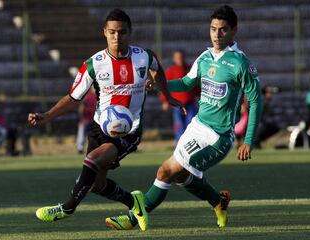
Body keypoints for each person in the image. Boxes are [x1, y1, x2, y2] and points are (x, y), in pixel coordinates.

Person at [106, 5, 263, 230]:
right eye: (213, 29)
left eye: (223, 30)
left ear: (234, 31)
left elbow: (256, 101)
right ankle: (218, 202)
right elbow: (187, 83)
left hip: (219, 136)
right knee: (174, 174)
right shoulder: (205, 57)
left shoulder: (241, 64)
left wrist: (248, 140)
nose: (217, 35)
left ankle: (133, 218)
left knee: (170, 171)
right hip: (197, 126)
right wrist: (160, 86)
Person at [28, 9, 184, 231]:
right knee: (95, 185)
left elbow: (158, 71)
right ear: (105, 33)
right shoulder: (94, 63)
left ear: (130, 32)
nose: (117, 37)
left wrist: (167, 95)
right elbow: (73, 98)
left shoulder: (144, 56)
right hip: (99, 127)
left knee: (92, 160)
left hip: (129, 131)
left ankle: (68, 207)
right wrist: (47, 115)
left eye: (122, 32)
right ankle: (134, 202)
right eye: (112, 32)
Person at [160, 50, 199, 142]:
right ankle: (179, 143)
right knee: (179, 125)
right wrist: (164, 101)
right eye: (177, 58)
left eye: (181, 57)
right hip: (177, 104)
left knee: (191, 124)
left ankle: (191, 142)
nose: (179, 60)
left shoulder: (190, 69)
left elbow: (196, 84)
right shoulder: (170, 71)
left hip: (190, 103)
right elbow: (164, 87)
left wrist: (199, 95)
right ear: (174, 59)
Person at [76, 87, 96, 154]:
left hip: (95, 120)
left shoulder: (99, 96)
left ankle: (95, 148)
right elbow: (81, 108)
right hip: (87, 119)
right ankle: (80, 148)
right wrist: (82, 119)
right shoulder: (87, 96)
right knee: (82, 131)